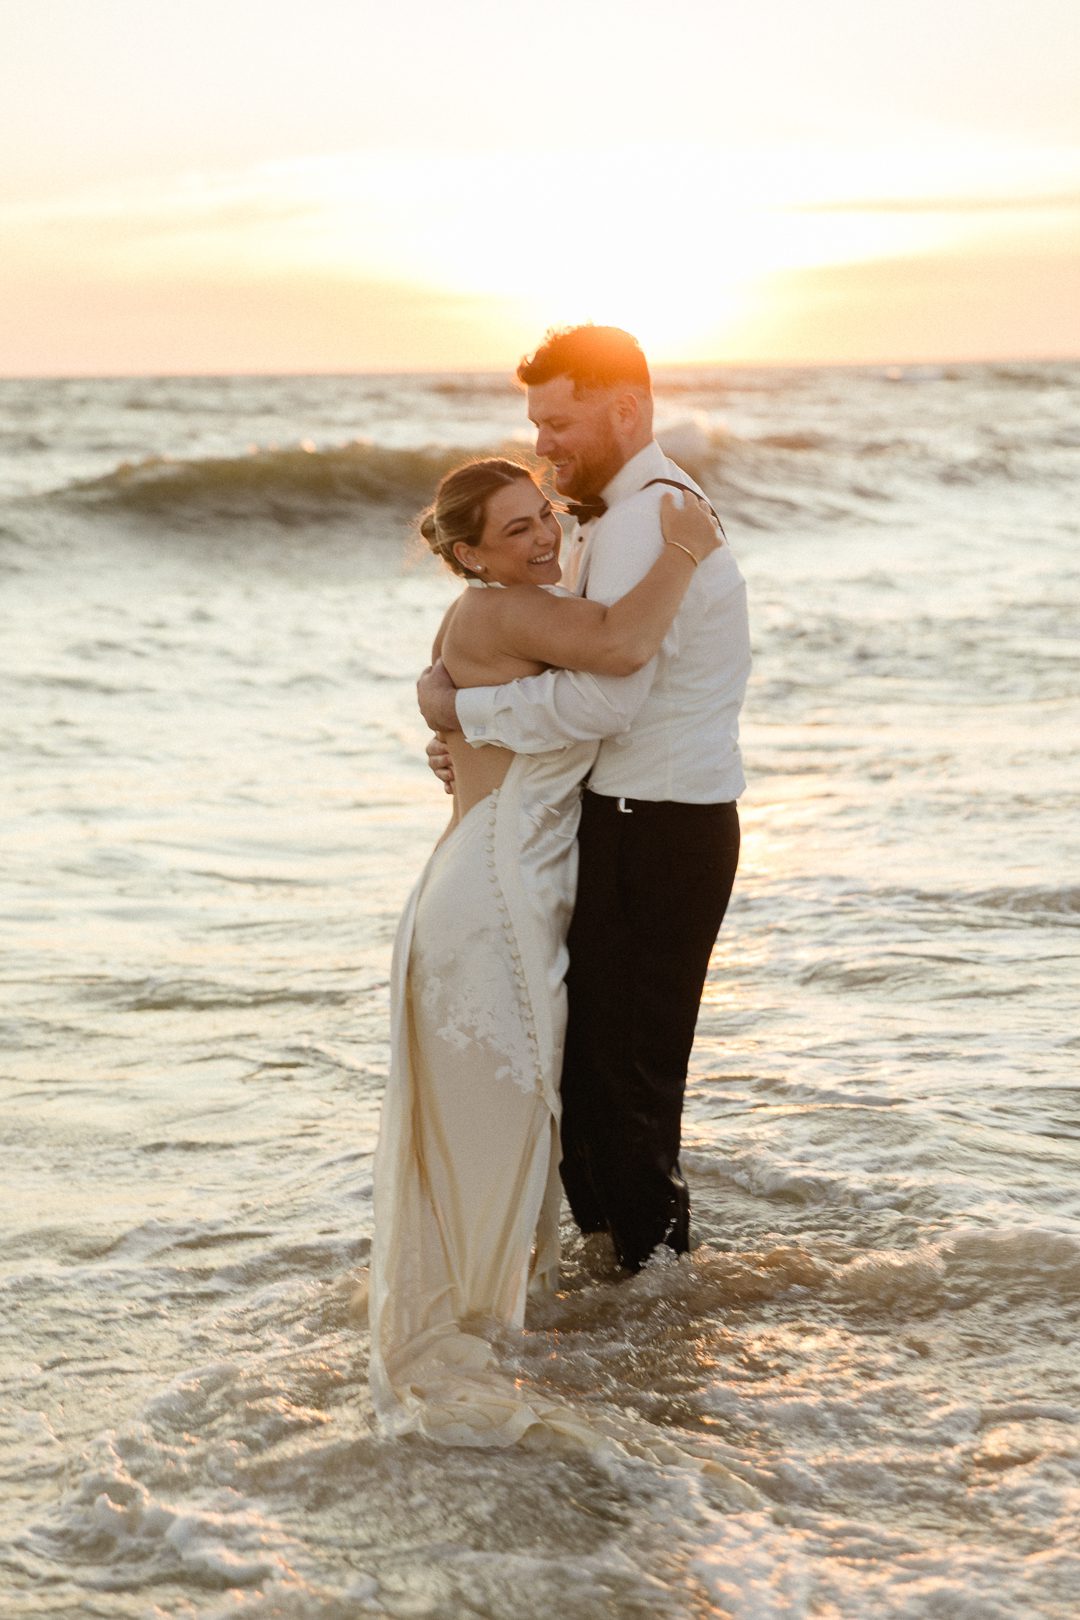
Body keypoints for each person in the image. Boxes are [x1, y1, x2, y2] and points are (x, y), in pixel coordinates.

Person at [370, 456, 722, 1446]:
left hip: (512, 892)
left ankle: (510, 1323)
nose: (541, 537)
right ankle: (477, 1337)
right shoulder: (502, 611)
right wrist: (685, 550)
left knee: (521, 1124)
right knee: (504, 1122)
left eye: (543, 516)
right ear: (469, 554)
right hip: (487, 903)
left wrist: (452, 714)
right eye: (514, 529)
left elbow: (543, 699)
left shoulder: (515, 613)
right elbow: (622, 647)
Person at [418, 325, 751, 1275]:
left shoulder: (648, 515)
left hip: (660, 826)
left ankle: (656, 1306)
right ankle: (623, 1285)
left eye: (559, 421)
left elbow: (610, 691)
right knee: (596, 1081)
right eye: (536, 423)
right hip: (638, 818)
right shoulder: (620, 514)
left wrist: (464, 710)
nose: (545, 441)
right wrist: (472, 731)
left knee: (627, 1087)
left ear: (625, 410)